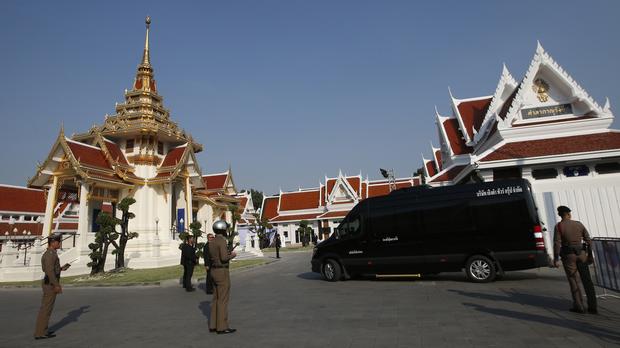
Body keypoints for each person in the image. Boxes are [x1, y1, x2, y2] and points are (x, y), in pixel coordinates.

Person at [553, 205, 598, 314]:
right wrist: (590, 256)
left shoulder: (559, 226)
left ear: (560, 215)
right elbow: (588, 240)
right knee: (587, 280)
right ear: (569, 214)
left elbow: (557, 243)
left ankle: (579, 306)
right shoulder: (578, 224)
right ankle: (593, 307)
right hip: (582, 254)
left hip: (568, 256)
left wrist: (556, 258)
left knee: (574, 281)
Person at [34, 233, 70, 340]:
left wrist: (61, 269)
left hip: (49, 282)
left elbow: (51, 269)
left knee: (47, 308)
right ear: (53, 242)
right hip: (50, 283)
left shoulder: (50, 253)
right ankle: (40, 333)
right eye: (58, 242)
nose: (59, 244)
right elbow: (49, 271)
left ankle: (43, 330)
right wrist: (56, 285)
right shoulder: (50, 254)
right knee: (46, 309)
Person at [208, 220, 237, 334]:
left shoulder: (212, 241)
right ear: (223, 230)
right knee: (223, 300)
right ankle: (222, 326)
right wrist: (232, 255)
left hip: (213, 270)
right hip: (222, 271)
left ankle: (213, 325)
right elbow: (224, 258)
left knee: (215, 298)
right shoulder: (222, 241)